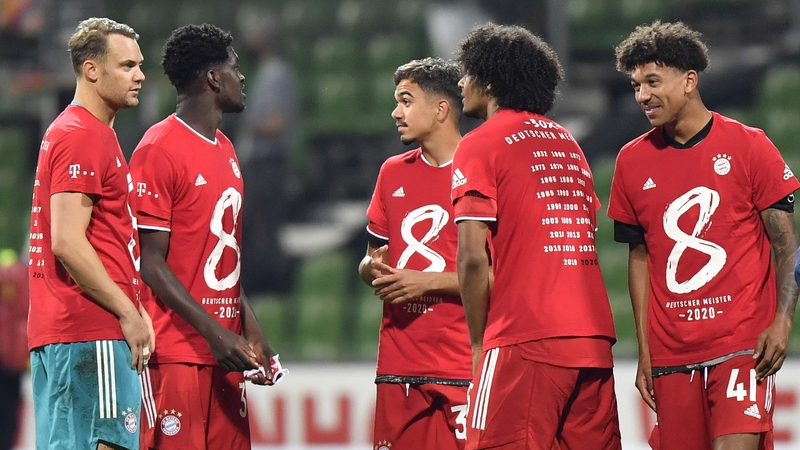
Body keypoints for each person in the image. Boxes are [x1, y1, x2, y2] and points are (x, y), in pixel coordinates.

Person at [609, 21, 800, 450]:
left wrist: (782, 322)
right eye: (637, 85)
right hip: (672, 356)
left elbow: (788, 246)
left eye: (652, 81)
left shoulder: (750, 146)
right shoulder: (630, 162)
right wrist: (645, 351)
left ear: (689, 80)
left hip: (740, 348)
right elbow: (639, 258)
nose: (641, 95)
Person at [452, 23, 621, 450]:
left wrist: (477, 345)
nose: (460, 81)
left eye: (467, 71)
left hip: (525, 337)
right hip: (592, 338)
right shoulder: (569, 142)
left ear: (489, 81)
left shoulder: (479, 143)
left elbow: (472, 258)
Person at [130, 23, 280, 450]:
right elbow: (150, 262)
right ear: (213, 79)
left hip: (226, 352)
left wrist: (251, 329)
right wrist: (215, 332)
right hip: (178, 354)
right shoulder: (157, 148)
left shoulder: (227, 150)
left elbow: (223, 258)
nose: (242, 76)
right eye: (234, 67)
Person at [27, 17, 153, 450]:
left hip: (78, 332)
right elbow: (67, 240)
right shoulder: (82, 135)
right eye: (127, 66)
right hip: (87, 330)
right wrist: (129, 312)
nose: (140, 75)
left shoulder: (87, 132)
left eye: (139, 65)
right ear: (92, 70)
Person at [359, 57, 471, 449]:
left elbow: (504, 276)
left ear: (440, 109)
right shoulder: (392, 172)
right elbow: (372, 258)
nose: (396, 112)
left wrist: (425, 283)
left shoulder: (485, 170)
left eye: (406, 101)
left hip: (465, 363)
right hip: (399, 363)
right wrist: (372, 269)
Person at [236, 10, 298, 294]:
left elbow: (276, 124)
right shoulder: (264, 73)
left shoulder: (276, 74)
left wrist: (242, 118)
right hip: (256, 163)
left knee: (264, 231)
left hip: (267, 164)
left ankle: (270, 288)